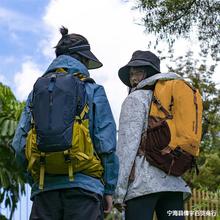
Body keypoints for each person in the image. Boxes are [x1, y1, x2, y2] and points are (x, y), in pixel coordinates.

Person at [12, 26, 119, 220]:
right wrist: (109, 189)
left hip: (45, 191)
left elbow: (19, 144)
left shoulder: (36, 92)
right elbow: (106, 143)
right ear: (82, 59)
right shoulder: (93, 90)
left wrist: (37, 179)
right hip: (84, 190)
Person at [114, 50, 191, 220]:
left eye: (138, 72)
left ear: (149, 74)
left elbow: (127, 146)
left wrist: (118, 191)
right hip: (173, 182)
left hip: (142, 185)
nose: (133, 78)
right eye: (131, 74)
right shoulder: (169, 101)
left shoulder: (135, 99)